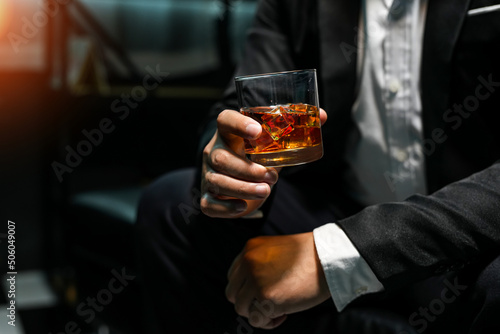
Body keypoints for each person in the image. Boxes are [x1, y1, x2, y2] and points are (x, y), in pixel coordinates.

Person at [135, 0, 500, 333]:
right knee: (170, 208)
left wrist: (336, 255)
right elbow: (243, 106)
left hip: (466, 229)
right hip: (341, 205)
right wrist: (229, 167)